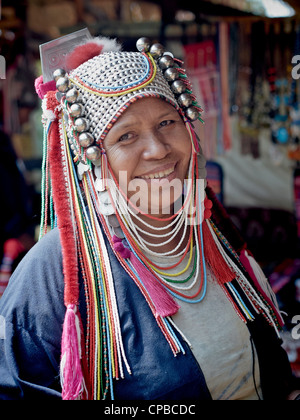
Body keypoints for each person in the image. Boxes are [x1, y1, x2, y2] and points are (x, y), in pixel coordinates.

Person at [0, 33, 298, 401]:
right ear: (91, 156)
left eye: (167, 123)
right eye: (126, 136)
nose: (158, 150)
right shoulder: (53, 276)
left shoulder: (209, 230)